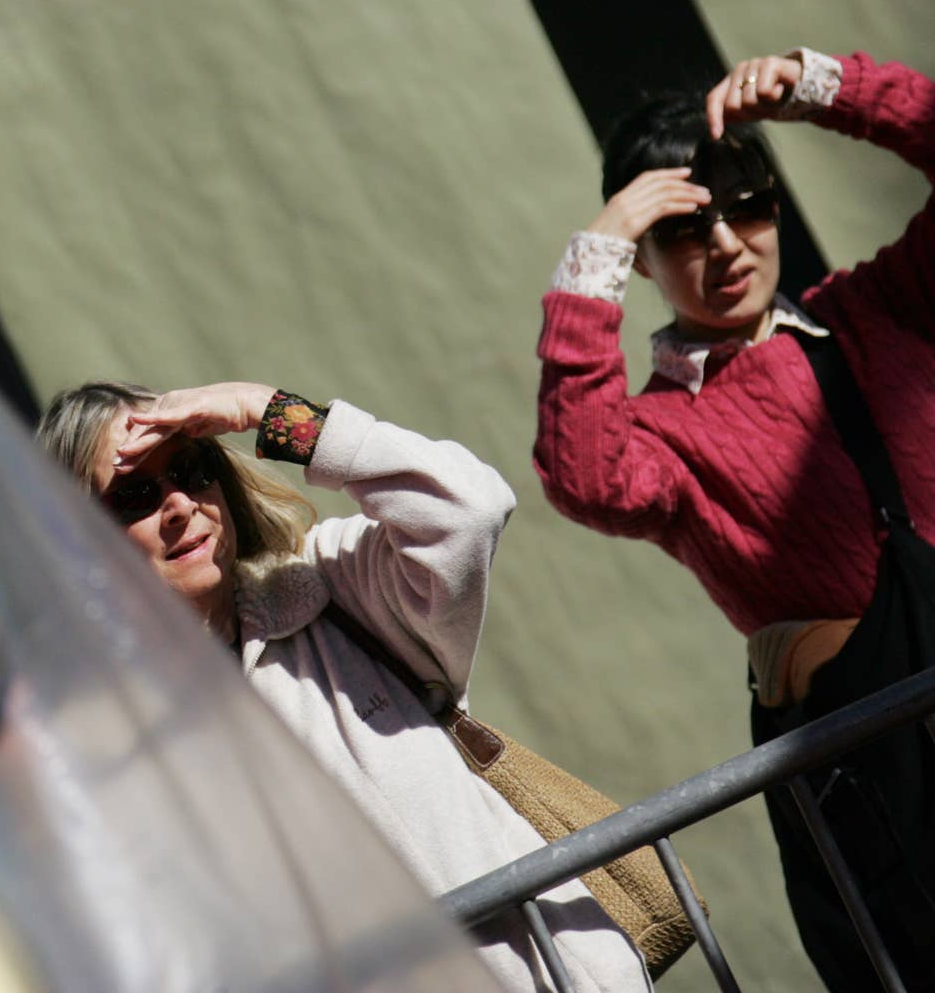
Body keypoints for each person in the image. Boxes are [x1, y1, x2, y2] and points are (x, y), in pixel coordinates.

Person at [534, 48, 935, 988]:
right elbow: (583, 476)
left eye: (747, 206)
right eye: (681, 229)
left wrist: (824, 87)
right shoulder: (666, 430)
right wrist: (592, 259)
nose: (726, 244)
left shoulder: (874, 312)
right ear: (643, 261)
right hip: (887, 794)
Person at [38, 380, 650, 993]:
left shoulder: (329, 583)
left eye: (193, 471)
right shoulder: (114, 745)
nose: (179, 506)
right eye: (135, 496)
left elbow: (472, 507)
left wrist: (267, 411)